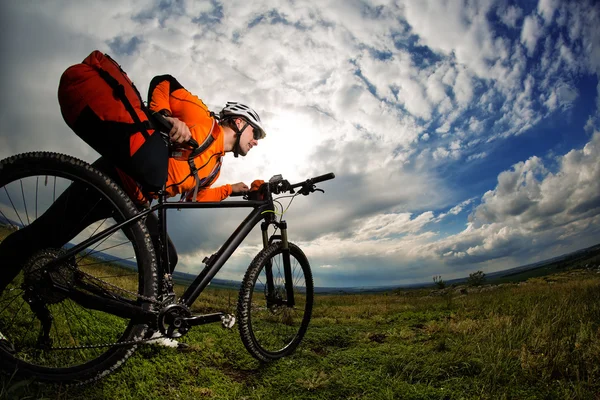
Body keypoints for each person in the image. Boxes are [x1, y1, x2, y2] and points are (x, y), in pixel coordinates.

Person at [0, 75, 266, 348]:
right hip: (113, 179)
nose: (256, 141)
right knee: (43, 236)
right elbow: (165, 83)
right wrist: (165, 115)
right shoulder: (201, 117)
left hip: (135, 204)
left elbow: (195, 196)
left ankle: (149, 329)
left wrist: (230, 190)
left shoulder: (215, 166)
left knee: (166, 258)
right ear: (239, 121)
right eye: (255, 133)